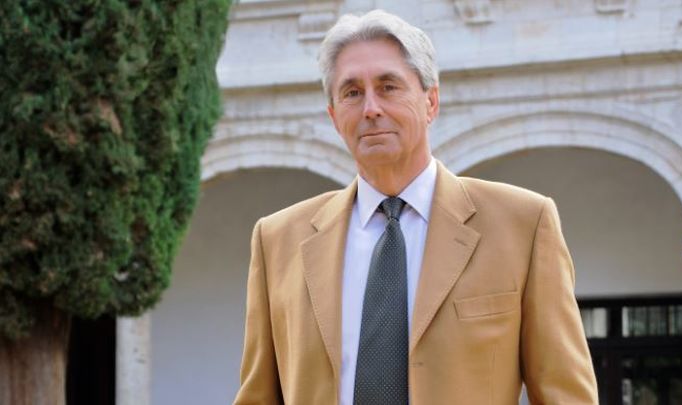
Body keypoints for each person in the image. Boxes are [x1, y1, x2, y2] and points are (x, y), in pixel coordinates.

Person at [232, 9, 598, 405]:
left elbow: (567, 396)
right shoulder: (277, 241)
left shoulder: (523, 225)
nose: (371, 108)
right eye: (352, 92)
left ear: (431, 102)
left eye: (388, 87)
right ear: (334, 117)